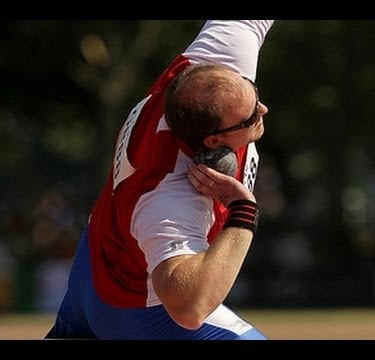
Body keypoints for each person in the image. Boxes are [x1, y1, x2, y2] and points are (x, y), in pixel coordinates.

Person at [45, 20, 275, 340]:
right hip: (135, 309)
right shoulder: (170, 196)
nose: (263, 109)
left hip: (95, 263)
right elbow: (189, 308)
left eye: (255, 95)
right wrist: (243, 212)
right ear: (213, 141)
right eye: (251, 116)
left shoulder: (213, 70)